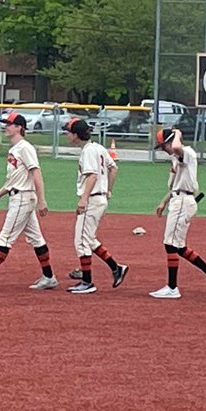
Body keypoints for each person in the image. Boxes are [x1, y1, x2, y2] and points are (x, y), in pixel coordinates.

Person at [0, 112, 57, 289]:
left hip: (23, 197)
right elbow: (13, 180)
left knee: (5, 237)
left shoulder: (25, 148)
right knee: (36, 239)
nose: (6, 127)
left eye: (10, 124)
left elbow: (36, 172)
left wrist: (42, 200)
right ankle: (49, 277)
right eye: (6, 123)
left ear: (19, 128)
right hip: (18, 195)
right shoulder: (15, 149)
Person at [149, 128, 206, 299]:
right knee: (178, 246)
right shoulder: (176, 159)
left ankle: (173, 287)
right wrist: (163, 202)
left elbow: (176, 148)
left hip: (183, 201)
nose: (164, 150)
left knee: (170, 244)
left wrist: (177, 133)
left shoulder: (186, 153)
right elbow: (175, 185)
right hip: (178, 199)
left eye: (163, 146)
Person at [63, 118, 127, 294]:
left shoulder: (88, 152)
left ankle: (87, 281)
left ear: (76, 134)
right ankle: (116, 267)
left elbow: (92, 176)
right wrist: (108, 190)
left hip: (91, 200)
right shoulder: (98, 148)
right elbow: (114, 169)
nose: (67, 134)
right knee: (89, 239)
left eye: (68, 132)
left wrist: (83, 199)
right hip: (99, 199)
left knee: (81, 241)